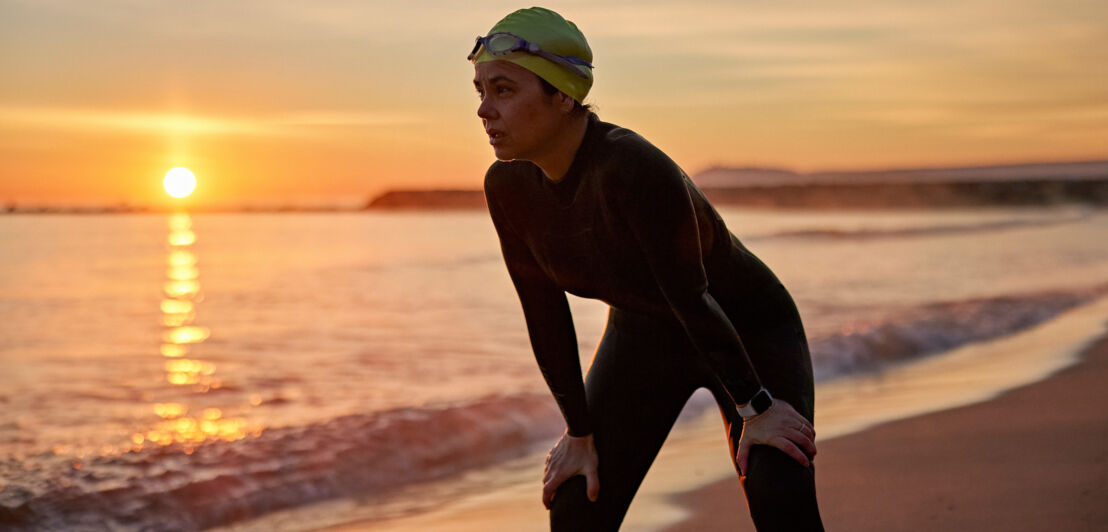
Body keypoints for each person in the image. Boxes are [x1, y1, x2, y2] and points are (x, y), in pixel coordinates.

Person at [471, 7, 825, 531]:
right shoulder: (508, 187)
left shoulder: (632, 167)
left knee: (779, 495)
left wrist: (757, 407)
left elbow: (690, 295)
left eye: (503, 90)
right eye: (479, 91)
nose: (483, 110)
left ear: (562, 95)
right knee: (575, 509)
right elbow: (543, 312)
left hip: (744, 328)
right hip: (644, 338)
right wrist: (579, 434)